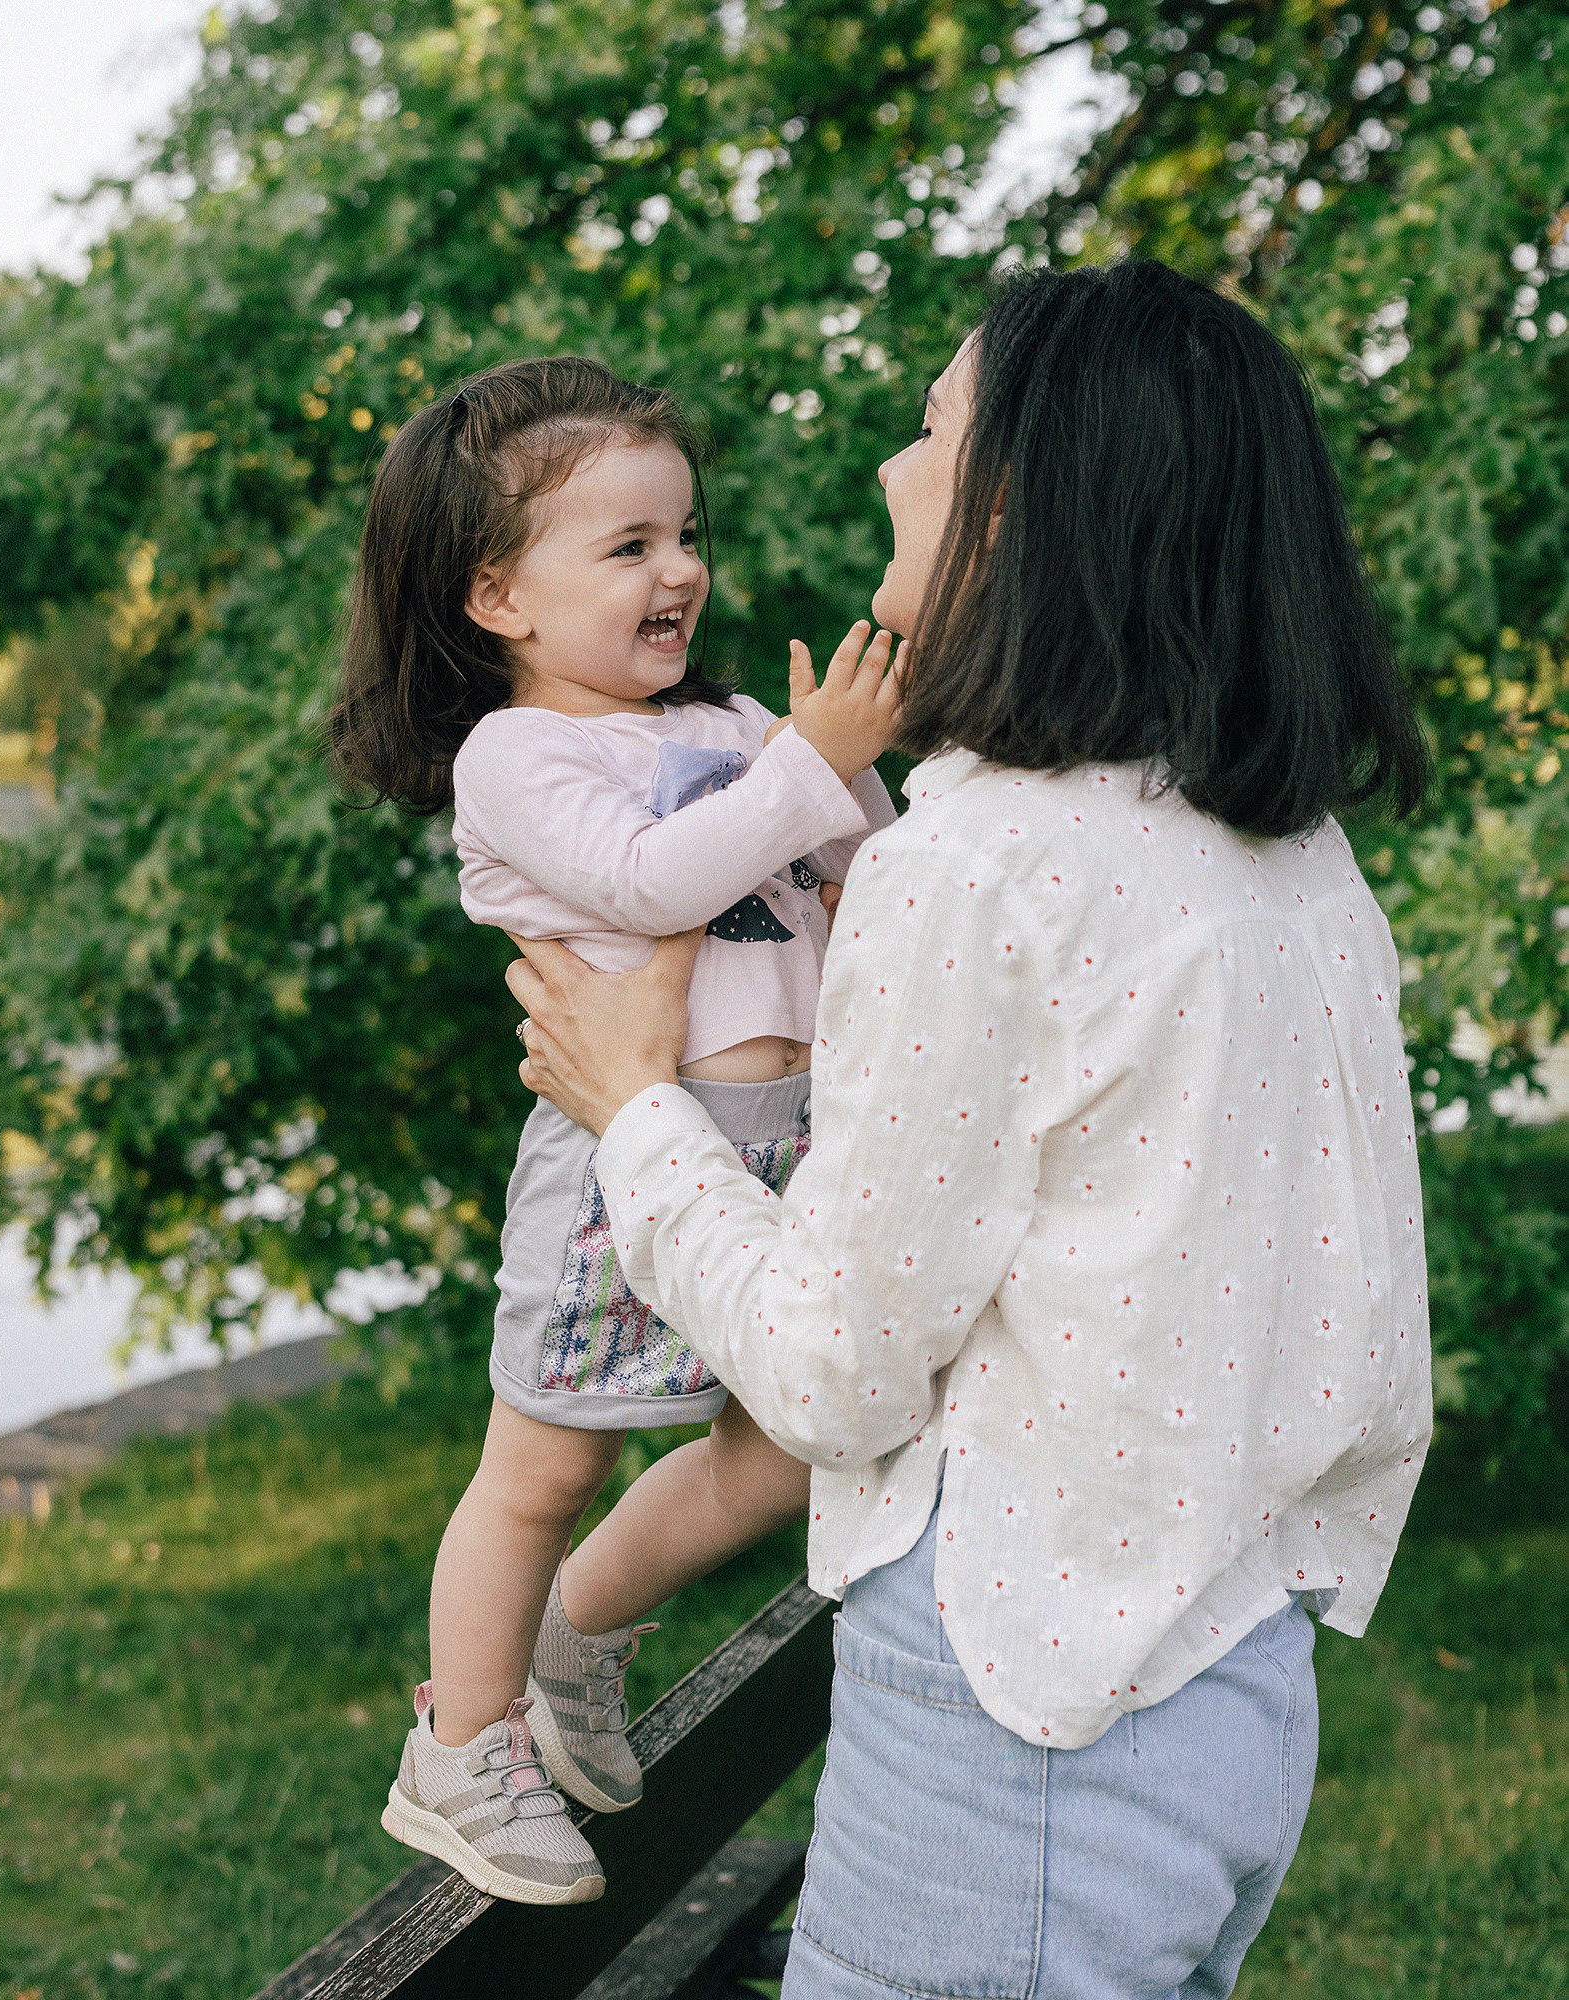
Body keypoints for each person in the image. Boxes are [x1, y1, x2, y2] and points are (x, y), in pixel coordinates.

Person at [505, 262, 1435, 1993]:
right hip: (1234, 1680)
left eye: (928, 432)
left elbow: (840, 1374)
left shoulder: (981, 862)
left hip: (1024, 1709)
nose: (886, 469)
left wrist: (634, 1114)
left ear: (1015, 503)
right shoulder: (1293, 863)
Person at [327, 355, 898, 1903]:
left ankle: (580, 1632)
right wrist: (811, 762)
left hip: (790, 1142)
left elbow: (870, 872)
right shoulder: (519, 757)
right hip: (620, 1149)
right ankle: (458, 1743)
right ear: (496, 595)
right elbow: (653, 883)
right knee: (540, 1461)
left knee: (786, 1441)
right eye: (630, 545)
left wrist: (845, 800)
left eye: (687, 533)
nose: (683, 569)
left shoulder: (726, 720)